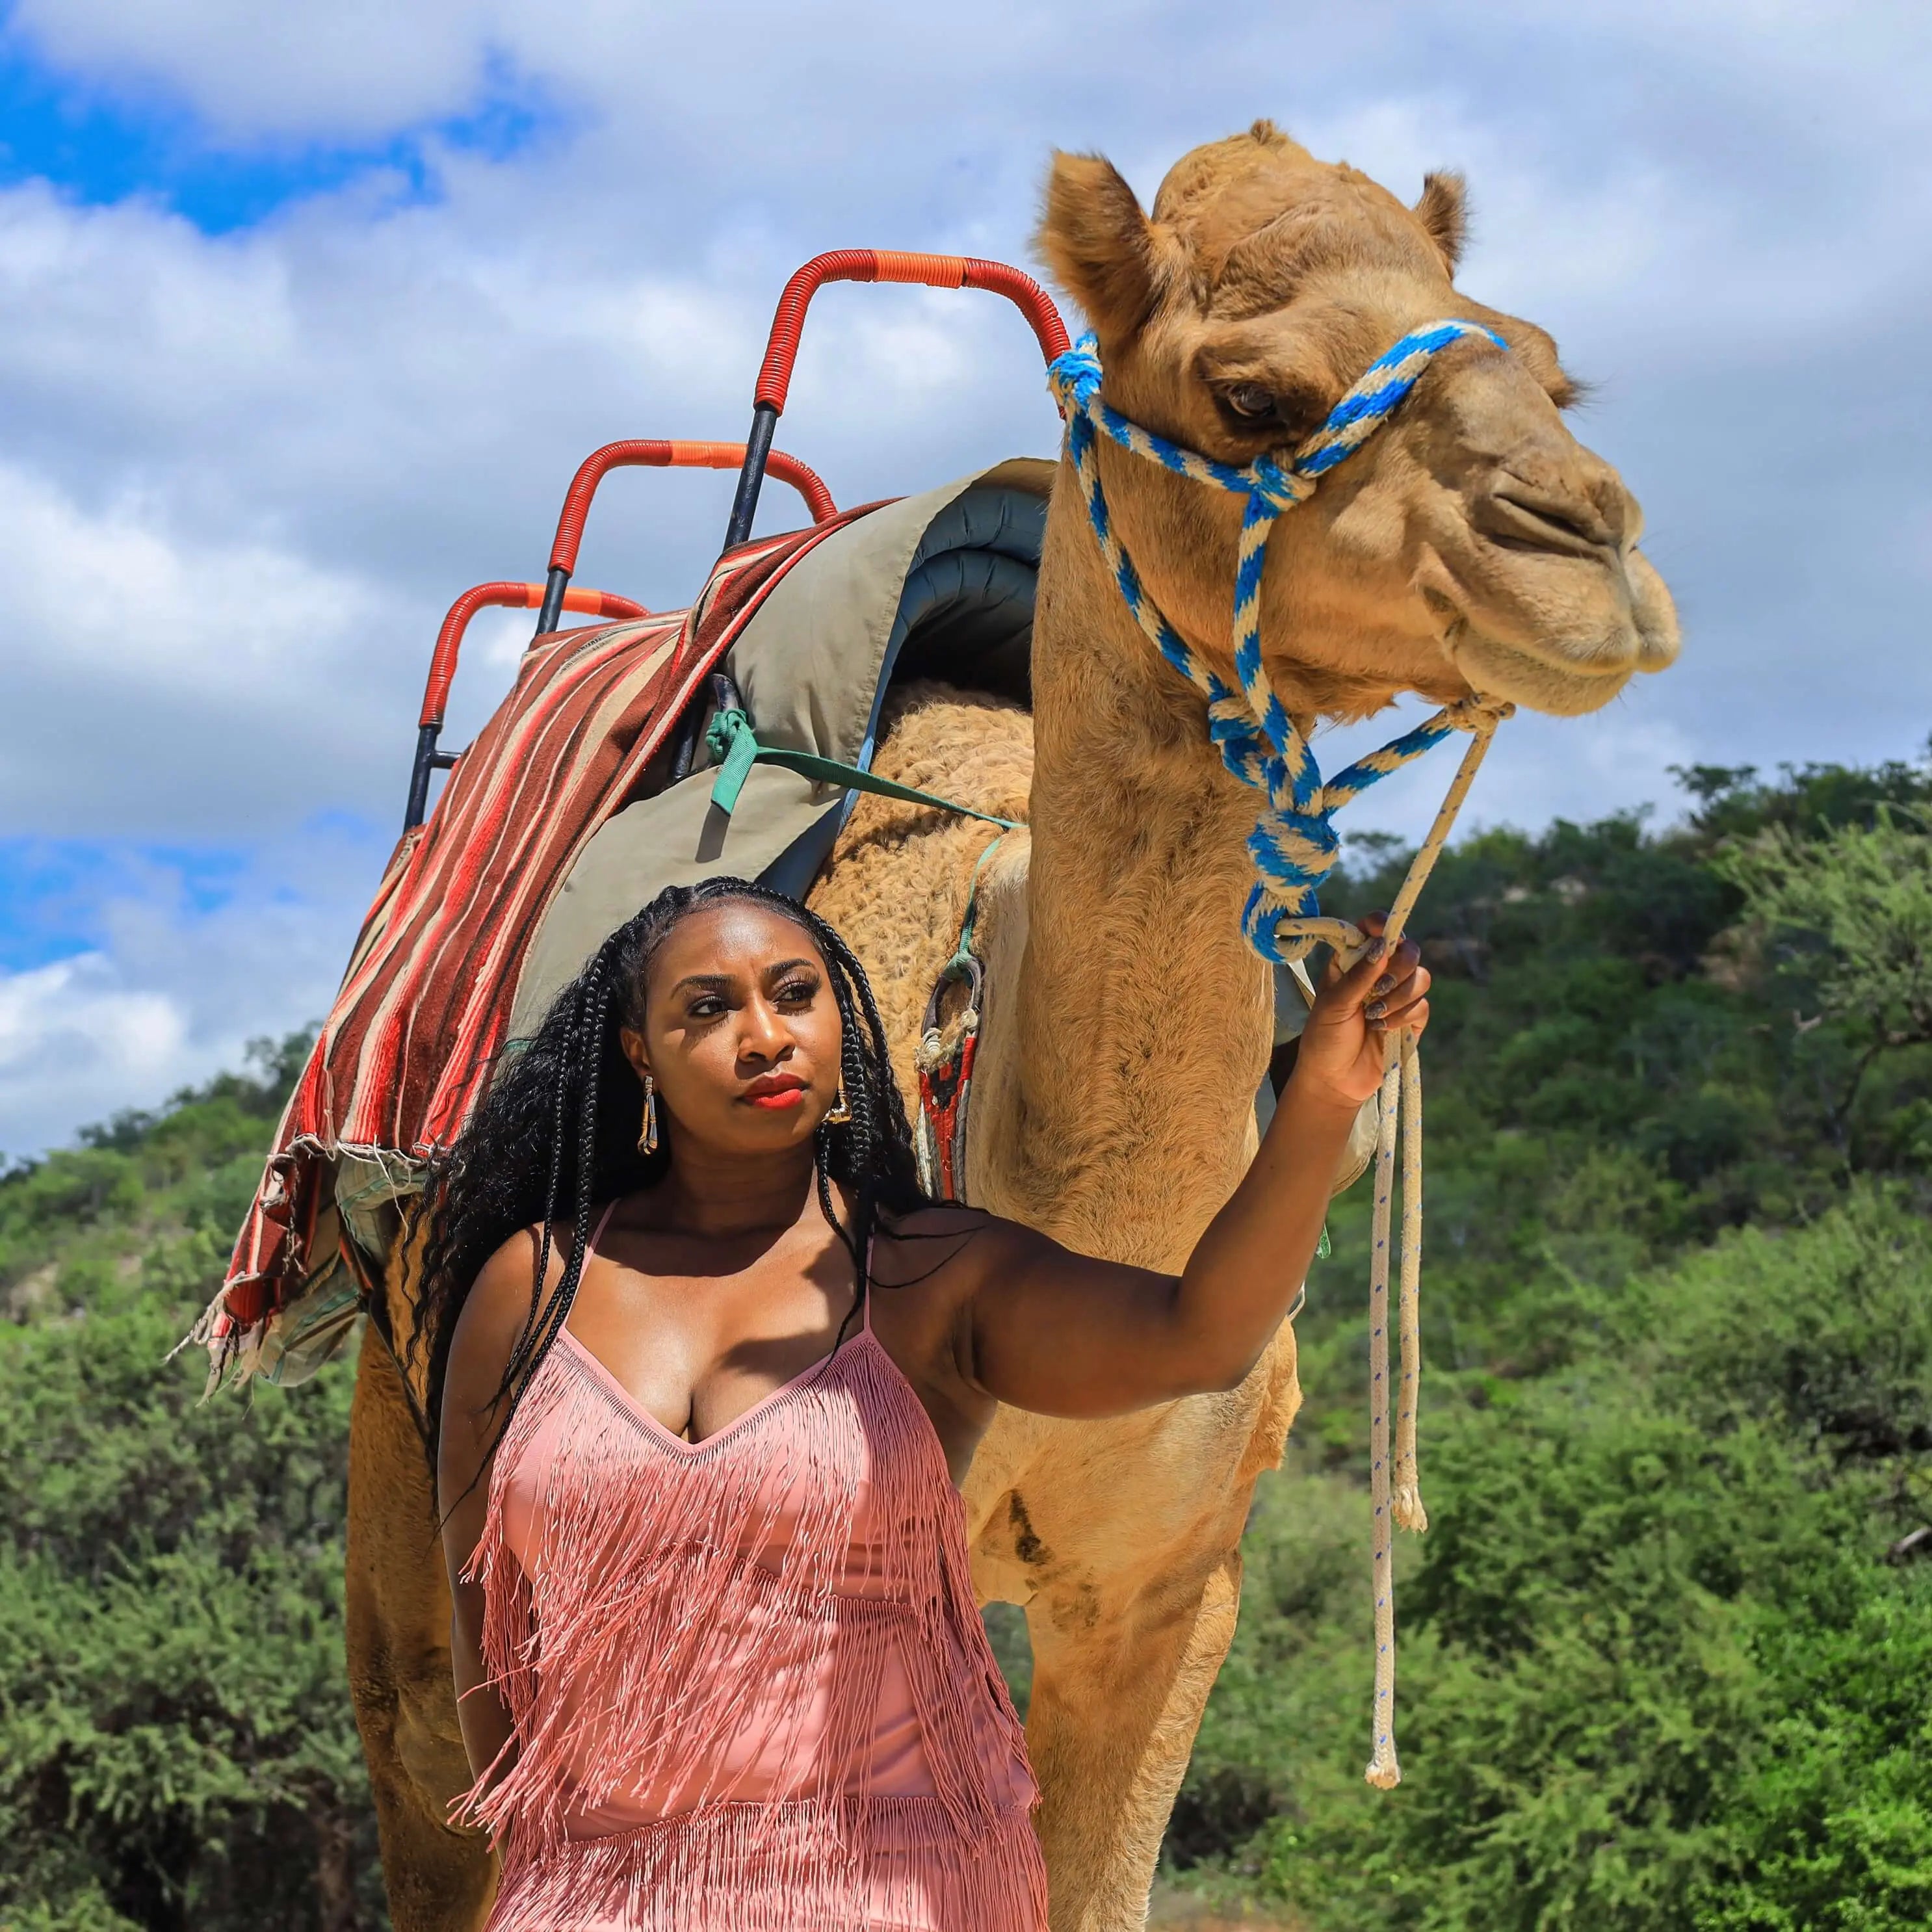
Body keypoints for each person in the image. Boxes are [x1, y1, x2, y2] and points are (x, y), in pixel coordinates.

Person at [419, 874, 1428, 1932]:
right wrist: (549, 1867)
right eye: (709, 1008)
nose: (764, 1036)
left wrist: (1320, 1097)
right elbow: (485, 1613)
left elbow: (1203, 1338)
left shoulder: (929, 1278)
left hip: (894, 1885)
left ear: (839, 1022)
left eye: (793, 994)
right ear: (641, 1053)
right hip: (595, 1886)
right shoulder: (530, 1289)